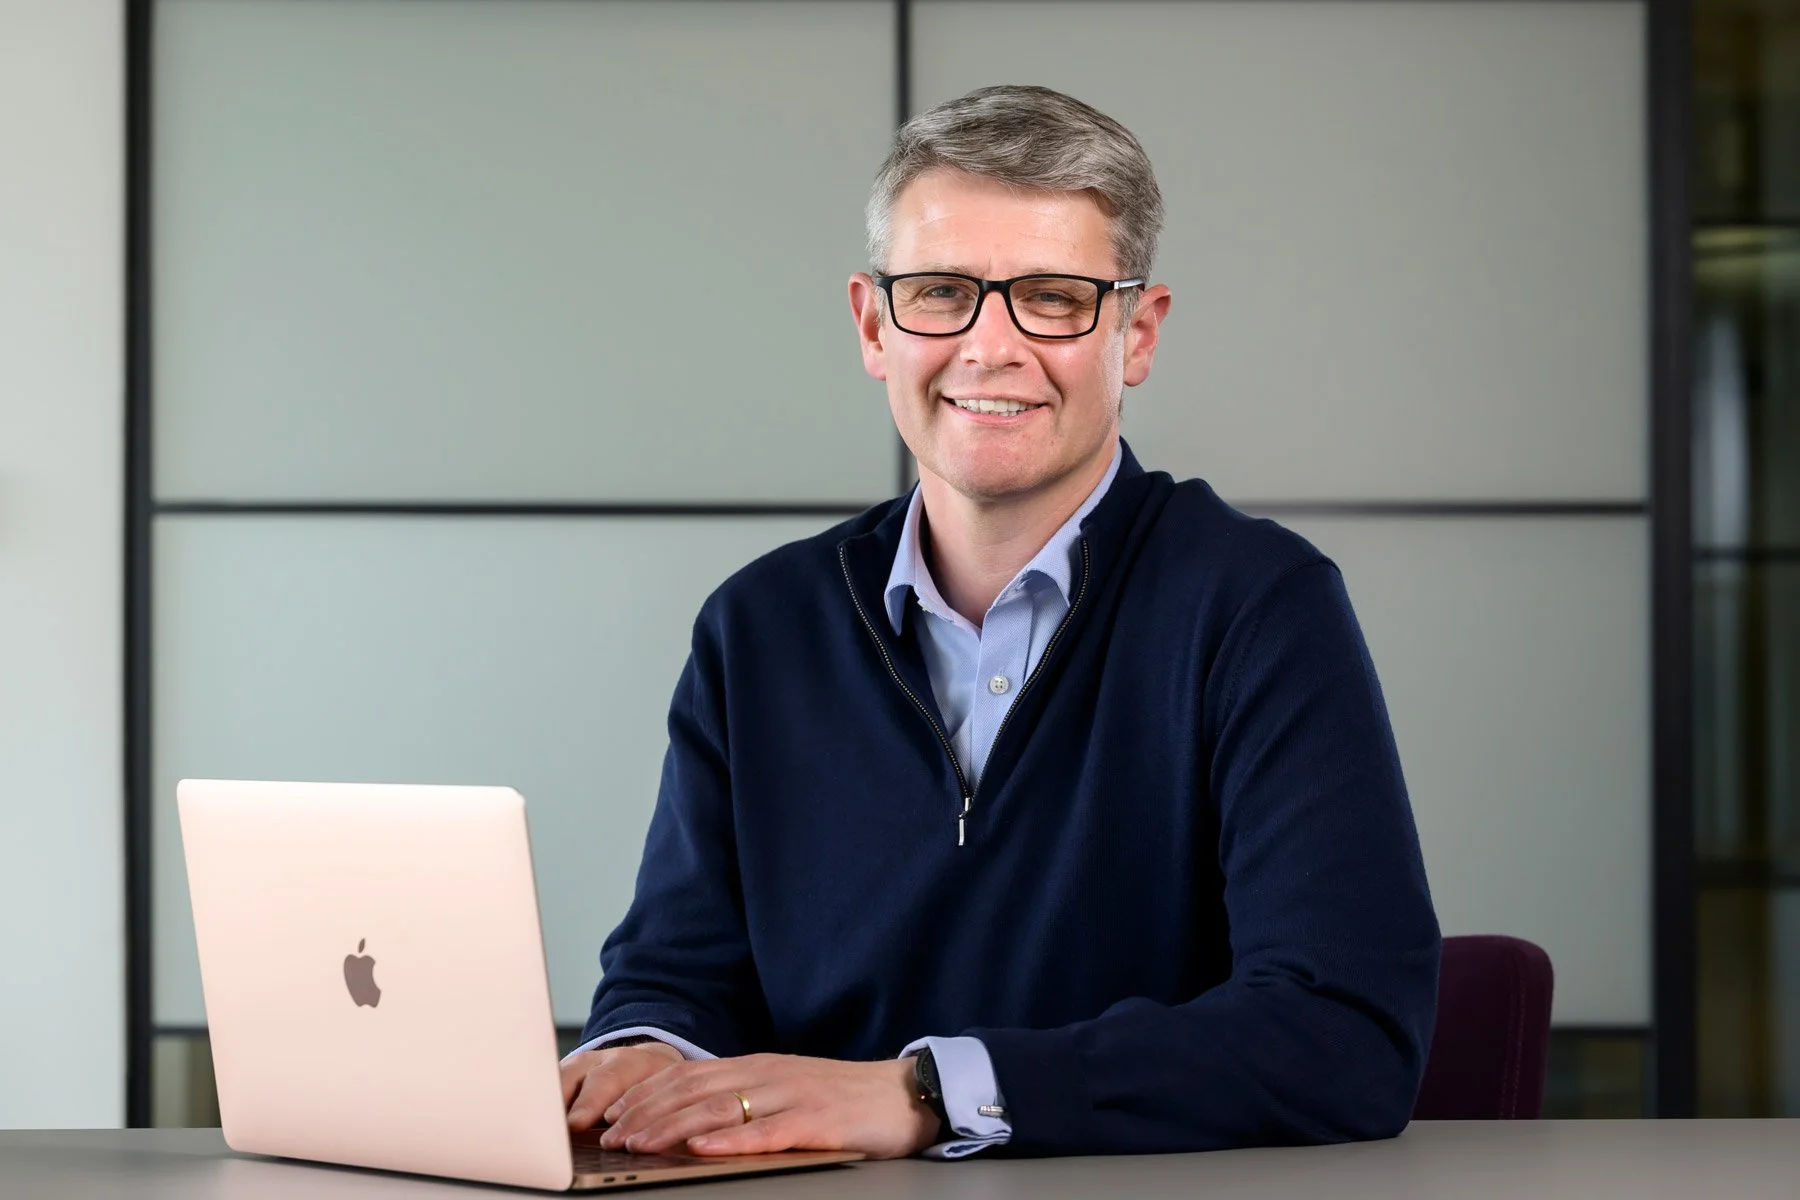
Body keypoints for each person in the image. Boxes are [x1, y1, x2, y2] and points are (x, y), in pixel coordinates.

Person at [560, 84, 1439, 1161]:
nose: (991, 346)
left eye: (1054, 299)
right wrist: (645, 1053)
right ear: (874, 326)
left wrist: (928, 1094)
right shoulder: (760, 627)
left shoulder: (1258, 607)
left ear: (1138, 331)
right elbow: (676, 976)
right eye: (941, 293)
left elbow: (1342, 1034)